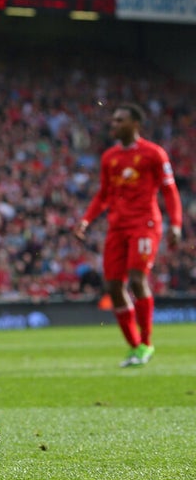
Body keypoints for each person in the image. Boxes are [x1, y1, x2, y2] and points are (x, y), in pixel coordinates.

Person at [74, 102, 182, 367]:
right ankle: (135, 346)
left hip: (144, 224)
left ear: (135, 124)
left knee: (136, 279)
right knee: (113, 286)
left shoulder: (154, 154)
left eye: (119, 120)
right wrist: (86, 220)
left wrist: (176, 224)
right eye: (112, 121)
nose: (113, 125)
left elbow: (169, 190)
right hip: (117, 227)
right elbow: (103, 195)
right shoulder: (109, 157)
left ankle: (146, 342)